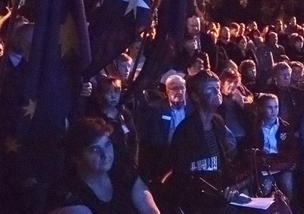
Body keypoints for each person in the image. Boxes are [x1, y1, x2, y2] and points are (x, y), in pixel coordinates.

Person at [166, 70, 247, 213]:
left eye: (217, 88)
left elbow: (225, 162)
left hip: (220, 193)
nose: (218, 92)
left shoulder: (218, 122)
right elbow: (183, 178)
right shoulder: (185, 132)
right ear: (196, 97)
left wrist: (231, 188)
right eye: (211, 89)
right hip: (198, 201)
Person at [47, 117, 159, 214]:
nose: (105, 154)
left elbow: (147, 205)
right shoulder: (67, 194)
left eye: (107, 144)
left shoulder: (122, 172)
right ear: (77, 157)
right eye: (95, 150)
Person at [140, 74, 192, 183]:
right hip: (163, 156)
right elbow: (153, 138)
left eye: (182, 87)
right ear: (167, 91)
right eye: (174, 88)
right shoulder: (155, 109)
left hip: (188, 155)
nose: (179, 91)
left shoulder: (193, 108)